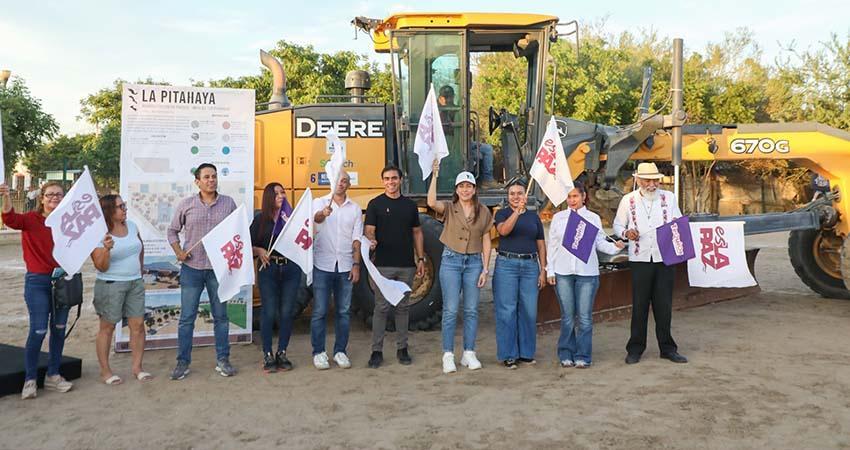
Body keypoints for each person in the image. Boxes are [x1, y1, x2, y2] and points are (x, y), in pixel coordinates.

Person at [1, 182, 73, 399]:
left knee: (59, 328)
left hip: (62, 282)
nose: (54, 198)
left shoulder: (67, 221)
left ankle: (53, 375)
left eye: (59, 195)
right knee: (39, 330)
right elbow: (10, 218)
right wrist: (6, 196)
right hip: (37, 282)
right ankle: (30, 379)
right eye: (50, 194)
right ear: (41, 198)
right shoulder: (32, 220)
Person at [167, 163, 238, 380]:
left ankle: (223, 360)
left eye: (214, 176)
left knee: (221, 317)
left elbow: (237, 230)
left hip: (218, 270)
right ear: (197, 181)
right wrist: (178, 251)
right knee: (187, 318)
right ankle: (183, 362)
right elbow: (172, 231)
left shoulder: (228, 203)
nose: (211, 180)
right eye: (206, 177)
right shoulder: (186, 205)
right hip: (192, 269)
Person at [613, 162, 688, 365]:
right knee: (640, 305)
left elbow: (678, 221)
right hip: (640, 258)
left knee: (664, 305)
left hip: (664, 258)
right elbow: (618, 224)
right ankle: (635, 348)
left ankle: (668, 348)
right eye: (647, 180)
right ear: (638, 179)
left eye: (655, 180)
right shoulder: (627, 200)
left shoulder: (669, 198)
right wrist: (626, 233)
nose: (652, 184)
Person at [547, 183, 625, 368]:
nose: (572, 200)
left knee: (584, 317)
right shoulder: (559, 218)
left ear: (583, 197)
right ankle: (565, 352)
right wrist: (550, 270)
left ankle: (583, 355)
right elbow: (552, 246)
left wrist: (615, 247)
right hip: (563, 272)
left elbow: (599, 243)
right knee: (567, 316)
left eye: (575, 196)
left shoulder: (593, 218)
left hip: (587, 273)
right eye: (569, 197)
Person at [427, 160, 492, 374]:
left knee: (471, 310)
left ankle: (469, 353)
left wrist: (485, 268)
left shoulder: (483, 211)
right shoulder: (449, 208)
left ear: (474, 189)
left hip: (474, 262)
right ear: (456, 189)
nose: (465, 189)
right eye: (461, 186)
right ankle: (448, 354)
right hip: (451, 261)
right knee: (451, 309)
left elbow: (486, 239)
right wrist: (435, 175)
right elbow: (431, 201)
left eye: (469, 186)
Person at [365, 165, 426, 368]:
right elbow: (369, 230)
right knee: (381, 308)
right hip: (383, 266)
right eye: (386, 179)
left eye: (394, 178)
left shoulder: (409, 206)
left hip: (406, 266)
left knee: (402, 308)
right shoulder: (375, 205)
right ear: (382, 181)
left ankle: (402, 349)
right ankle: (376, 351)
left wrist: (421, 259)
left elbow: (417, 232)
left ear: (400, 180)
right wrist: (371, 241)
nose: (390, 182)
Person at [90, 194, 152, 385]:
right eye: (120, 206)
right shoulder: (98, 233)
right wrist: (106, 249)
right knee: (107, 328)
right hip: (110, 284)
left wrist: (139, 272)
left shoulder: (132, 226)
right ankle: (106, 371)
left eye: (124, 205)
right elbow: (100, 266)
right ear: (109, 210)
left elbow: (139, 249)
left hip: (135, 283)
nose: (124, 208)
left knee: (138, 326)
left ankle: (137, 368)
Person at [492, 180, 547, 369]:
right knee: (507, 310)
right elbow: (504, 231)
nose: (516, 196)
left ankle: (526, 353)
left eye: (519, 193)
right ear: (508, 197)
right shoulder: (502, 213)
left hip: (530, 266)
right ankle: (508, 354)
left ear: (526, 195)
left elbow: (541, 243)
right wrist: (517, 212)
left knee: (529, 311)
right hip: (507, 265)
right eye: (512, 194)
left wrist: (543, 269)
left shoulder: (534, 217)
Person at [311, 171, 362, 370]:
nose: (341, 184)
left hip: (346, 266)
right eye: (338, 180)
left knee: (343, 312)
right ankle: (318, 352)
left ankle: (340, 351)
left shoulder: (355, 209)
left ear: (349, 185)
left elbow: (356, 238)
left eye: (344, 181)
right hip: (322, 265)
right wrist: (323, 213)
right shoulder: (319, 202)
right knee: (320, 311)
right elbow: (315, 220)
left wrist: (356, 265)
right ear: (332, 182)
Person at [250, 182, 299, 373]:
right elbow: (248, 245)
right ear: (269, 197)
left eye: (283, 192)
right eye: (276, 193)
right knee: (269, 312)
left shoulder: (292, 219)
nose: (281, 196)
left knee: (287, 312)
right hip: (268, 269)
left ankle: (282, 352)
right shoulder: (260, 220)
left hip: (291, 269)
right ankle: (267, 353)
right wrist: (259, 250)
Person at [437, 85, 496, 188]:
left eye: (450, 96)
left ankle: (487, 179)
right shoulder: (438, 112)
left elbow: (468, 132)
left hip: (465, 143)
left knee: (487, 149)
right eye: (445, 97)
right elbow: (445, 130)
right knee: (476, 154)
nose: (448, 99)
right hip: (452, 147)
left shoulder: (458, 110)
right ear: (440, 98)